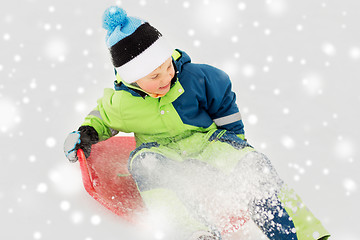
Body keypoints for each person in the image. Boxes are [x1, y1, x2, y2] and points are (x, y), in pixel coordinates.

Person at [64, 6, 330, 240]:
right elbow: (103, 117)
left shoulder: (194, 78)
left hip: (208, 143)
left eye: (168, 66)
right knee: (143, 163)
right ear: (132, 79)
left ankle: (301, 232)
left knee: (253, 165)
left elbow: (223, 100)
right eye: (154, 75)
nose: (166, 76)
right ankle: (194, 232)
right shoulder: (122, 102)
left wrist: (235, 140)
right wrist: (86, 133)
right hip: (160, 152)